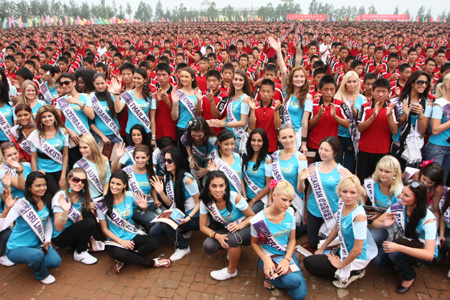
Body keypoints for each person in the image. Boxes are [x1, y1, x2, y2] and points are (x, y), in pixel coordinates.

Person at [304, 175, 377, 288]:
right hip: (344, 248)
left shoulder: (359, 217)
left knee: (309, 263)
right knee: (315, 253)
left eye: (353, 192)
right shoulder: (342, 203)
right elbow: (337, 227)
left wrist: (341, 264)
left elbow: (357, 250)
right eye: (344, 191)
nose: (348, 196)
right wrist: (323, 247)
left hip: (355, 257)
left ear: (358, 193)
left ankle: (354, 272)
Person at [96, 170, 171, 273]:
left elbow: (142, 207)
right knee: (119, 254)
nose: (114, 186)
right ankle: (153, 263)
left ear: (124, 185)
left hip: (132, 235)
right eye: (112, 183)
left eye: (118, 184)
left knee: (154, 242)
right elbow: (104, 230)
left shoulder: (130, 195)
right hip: (115, 240)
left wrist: (144, 208)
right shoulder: (102, 204)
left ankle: (126, 260)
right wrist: (121, 241)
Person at [372, 181, 438, 294]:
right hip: (403, 242)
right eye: (402, 192)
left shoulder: (428, 219)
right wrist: (384, 224)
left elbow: (429, 254)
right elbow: (375, 223)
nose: (400, 196)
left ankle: (409, 275)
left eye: (406, 195)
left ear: (417, 199)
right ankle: (399, 263)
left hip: (421, 251)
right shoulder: (398, 207)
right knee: (378, 260)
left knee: (394, 254)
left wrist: (398, 248)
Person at [0, 172, 61, 284]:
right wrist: (7, 209)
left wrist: (47, 240)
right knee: (37, 255)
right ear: (29, 187)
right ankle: (42, 275)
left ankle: (34, 260)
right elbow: (1, 227)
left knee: (55, 262)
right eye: (38, 186)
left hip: (36, 244)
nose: (42, 188)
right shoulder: (21, 204)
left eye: (44, 185)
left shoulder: (47, 200)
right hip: (16, 248)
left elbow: (47, 224)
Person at [250, 180, 307, 299]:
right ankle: (270, 277)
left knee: (300, 295)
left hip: (285, 255)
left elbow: (292, 240)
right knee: (294, 281)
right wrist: (265, 259)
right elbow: (254, 243)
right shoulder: (259, 220)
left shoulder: (290, 213)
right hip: (268, 256)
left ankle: (280, 276)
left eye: (290, 201)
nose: (287, 204)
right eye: (284, 199)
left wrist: (286, 259)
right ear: (274, 195)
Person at [199, 171, 255, 280]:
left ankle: (231, 271)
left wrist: (240, 225)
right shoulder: (205, 201)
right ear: (208, 187)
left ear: (226, 186)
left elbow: (252, 216)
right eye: (214, 186)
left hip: (247, 228)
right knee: (208, 246)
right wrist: (217, 236)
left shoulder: (235, 197)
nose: (218, 189)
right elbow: (202, 227)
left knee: (233, 238)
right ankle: (232, 250)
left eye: (221, 185)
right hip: (228, 229)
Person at [149, 147, 200, 261]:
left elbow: (199, 203)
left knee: (166, 225)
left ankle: (183, 247)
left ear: (177, 161)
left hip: (195, 217)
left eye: (169, 161)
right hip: (180, 213)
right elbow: (171, 203)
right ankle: (183, 230)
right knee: (154, 232)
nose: (166, 164)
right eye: (165, 160)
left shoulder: (187, 179)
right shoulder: (168, 176)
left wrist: (189, 218)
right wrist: (161, 193)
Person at [299, 136, 348, 249]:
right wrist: (301, 180)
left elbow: (357, 192)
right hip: (313, 211)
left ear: (334, 153)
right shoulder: (312, 168)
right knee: (312, 244)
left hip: (331, 214)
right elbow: (307, 190)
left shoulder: (341, 171)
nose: (322, 152)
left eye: (326, 150)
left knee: (325, 245)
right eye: (321, 148)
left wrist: (351, 179)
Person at [269, 37, 312, 153]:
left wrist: (304, 143)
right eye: (296, 76)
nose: (299, 79)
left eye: (302, 77)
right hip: (284, 133)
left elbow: (304, 122)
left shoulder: (307, 97)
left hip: (296, 136)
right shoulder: (287, 91)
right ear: (292, 79)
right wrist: (278, 51)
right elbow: (283, 72)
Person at [51, 168, 98, 265]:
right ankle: (80, 252)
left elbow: (79, 217)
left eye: (83, 181)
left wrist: (85, 236)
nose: (79, 183)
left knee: (94, 229)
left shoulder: (80, 194)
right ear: (69, 180)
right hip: (60, 238)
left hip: (71, 232)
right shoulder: (60, 197)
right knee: (90, 222)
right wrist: (65, 211)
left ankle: (79, 245)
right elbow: (58, 228)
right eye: (76, 179)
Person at [391, 71, 433, 170]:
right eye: (420, 82)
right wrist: (405, 115)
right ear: (412, 82)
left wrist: (421, 114)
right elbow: (393, 128)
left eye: (426, 83)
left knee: (411, 177)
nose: (423, 85)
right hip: (398, 144)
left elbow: (422, 130)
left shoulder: (427, 104)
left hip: (416, 144)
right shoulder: (398, 101)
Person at [55, 72, 95, 169]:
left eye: (67, 83)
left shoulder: (85, 97)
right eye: (61, 84)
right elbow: (56, 121)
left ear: (73, 82)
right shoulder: (60, 101)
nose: (64, 85)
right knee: (75, 167)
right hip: (71, 139)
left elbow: (91, 115)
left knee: (89, 166)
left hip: (85, 136)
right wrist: (69, 131)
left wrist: (77, 102)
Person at [272, 124, 308, 229]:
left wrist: (301, 181)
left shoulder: (301, 158)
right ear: (279, 138)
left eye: (290, 136)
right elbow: (272, 182)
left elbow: (301, 190)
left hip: (293, 203)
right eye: (284, 137)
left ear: (295, 136)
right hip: (277, 201)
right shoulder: (275, 156)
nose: (288, 140)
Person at [28, 105, 69, 196]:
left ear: (55, 117)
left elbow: (65, 155)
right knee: (57, 195)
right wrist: (36, 176)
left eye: (50, 116)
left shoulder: (63, 132)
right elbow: (33, 159)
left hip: (60, 169)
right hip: (44, 171)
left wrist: (63, 176)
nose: (47, 119)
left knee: (65, 194)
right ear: (40, 119)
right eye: (44, 117)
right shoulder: (35, 135)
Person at [208, 69, 252, 154]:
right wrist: (217, 122)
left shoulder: (245, 99)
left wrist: (223, 124)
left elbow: (243, 122)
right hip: (227, 137)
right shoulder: (232, 97)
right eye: (236, 79)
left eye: (241, 80)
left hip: (237, 138)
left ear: (245, 82)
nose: (238, 82)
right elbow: (228, 117)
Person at [364, 155, 403, 244]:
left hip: (390, 225)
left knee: (369, 239)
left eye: (387, 171)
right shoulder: (373, 183)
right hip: (375, 219)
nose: (382, 174)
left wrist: (379, 215)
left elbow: (397, 215)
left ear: (395, 172)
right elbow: (361, 192)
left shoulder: (399, 191)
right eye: (380, 170)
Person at [112, 68, 155, 145]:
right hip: (131, 132)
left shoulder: (151, 96)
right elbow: (118, 110)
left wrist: (153, 137)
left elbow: (152, 118)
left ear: (145, 80)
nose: (136, 80)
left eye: (139, 78)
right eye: (134, 78)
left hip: (146, 131)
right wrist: (116, 94)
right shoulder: (127, 94)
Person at [334, 71, 366, 172]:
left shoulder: (362, 99)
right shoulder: (337, 97)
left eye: (354, 81)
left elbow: (362, 118)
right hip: (338, 135)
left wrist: (354, 111)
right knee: (336, 163)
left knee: (349, 165)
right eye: (349, 82)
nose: (352, 84)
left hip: (352, 137)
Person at [121, 145, 161, 227]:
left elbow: (152, 188)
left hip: (150, 203)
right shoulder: (126, 171)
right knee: (157, 222)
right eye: (137, 158)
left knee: (167, 218)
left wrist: (156, 200)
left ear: (148, 157)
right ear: (134, 158)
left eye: (143, 158)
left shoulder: (151, 170)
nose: (140, 161)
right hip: (134, 206)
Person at [424, 73, 450, 183]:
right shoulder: (440, 104)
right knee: (431, 182)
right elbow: (435, 129)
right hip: (437, 148)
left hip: (448, 147)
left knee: (442, 183)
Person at [89, 72, 122, 154]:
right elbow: (90, 122)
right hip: (100, 137)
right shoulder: (90, 98)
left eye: (102, 83)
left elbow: (119, 112)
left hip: (114, 134)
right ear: (93, 83)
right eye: (97, 84)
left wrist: (116, 94)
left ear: (106, 82)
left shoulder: (112, 96)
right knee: (102, 162)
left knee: (116, 161)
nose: (100, 86)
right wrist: (102, 136)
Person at [242, 128, 273, 213]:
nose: (256, 143)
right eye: (253, 140)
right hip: (246, 197)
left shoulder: (267, 160)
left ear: (264, 142)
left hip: (260, 199)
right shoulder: (246, 157)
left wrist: (253, 201)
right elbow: (243, 179)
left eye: (259, 141)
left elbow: (268, 186)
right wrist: (244, 197)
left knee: (247, 219)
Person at [181, 117, 218, 185]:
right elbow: (187, 146)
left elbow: (220, 155)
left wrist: (207, 169)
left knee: (206, 183)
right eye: (193, 135)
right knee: (194, 181)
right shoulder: (185, 138)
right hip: (196, 157)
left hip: (210, 160)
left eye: (200, 135)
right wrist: (191, 159)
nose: (196, 138)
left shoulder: (212, 139)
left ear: (205, 132)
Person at [171, 67, 202, 146]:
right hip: (182, 128)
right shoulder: (177, 93)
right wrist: (174, 103)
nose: (183, 79)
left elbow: (198, 113)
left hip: (196, 129)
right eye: (182, 76)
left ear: (192, 78)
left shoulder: (197, 91)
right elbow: (174, 117)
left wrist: (199, 100)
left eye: (186, 77)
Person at [74, 135, 111, 199]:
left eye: (85, 147)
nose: (82, 150)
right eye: (80, 147)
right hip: (89, 200)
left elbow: (107, 180)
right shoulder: (78, 165)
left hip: (104, 197)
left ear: (93, 147)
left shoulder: (104, 160)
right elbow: (78, 187)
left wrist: (105, 198)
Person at [208, 130, 242, 194]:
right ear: (219, 143)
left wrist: (244, 196)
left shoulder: (237, 156)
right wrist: (212, 172)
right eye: (226, 144)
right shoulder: (216, 161)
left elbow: (241, 178)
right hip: (224, 198)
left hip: (238, 197)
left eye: (232, 144)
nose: (229, 147)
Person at [438, 187, 450, 277]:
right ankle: (443, 251)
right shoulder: (447, 192)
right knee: (435, 259)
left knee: (448, 242)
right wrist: (441, 234)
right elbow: (443, 216)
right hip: (447, 228)